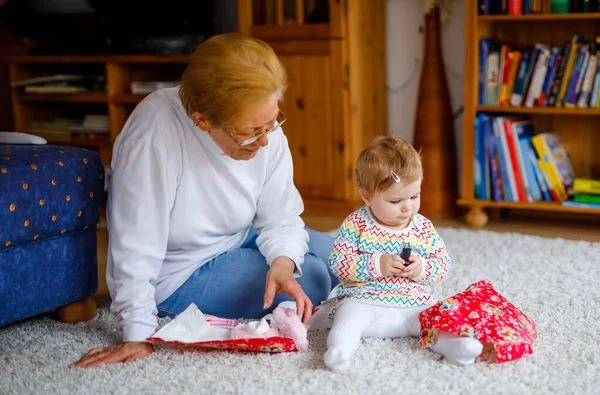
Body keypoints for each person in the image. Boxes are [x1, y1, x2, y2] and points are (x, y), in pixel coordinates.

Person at [70, 33, 338, 368]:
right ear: (202, 120)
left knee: (342, 254)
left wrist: (282, 262)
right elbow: (134, 243)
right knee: (312, 277)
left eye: (273, 121)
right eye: (251, 132)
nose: (266, 140)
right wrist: (137, 331)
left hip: (239, 235)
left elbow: (280, 216)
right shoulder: (154, 133)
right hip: (182, 269)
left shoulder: (261, 123)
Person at [323, 136, 483, 371]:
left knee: (436, 320)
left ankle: (457, 347)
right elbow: (338, 262)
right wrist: (376, 264)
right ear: (367, 196)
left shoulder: (423, 227)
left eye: (414, 196)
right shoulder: (356, 224)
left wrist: (421, 268)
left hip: (413, 303)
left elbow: (443, 263)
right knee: (347, 318)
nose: (407, 207)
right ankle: (339, 350)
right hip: (365, 300)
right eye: (396, 200)